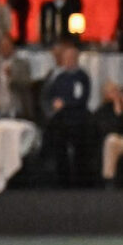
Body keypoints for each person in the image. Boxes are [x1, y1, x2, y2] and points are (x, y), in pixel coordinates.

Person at [40, 40, 95, 183]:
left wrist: (65, 104)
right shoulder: (58, 77)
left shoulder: (82, 77)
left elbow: (82, 97)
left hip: (78, 116)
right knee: (56, 136)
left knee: (80, 137)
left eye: (71, 58)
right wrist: (54, 104)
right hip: (61, 117)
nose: (69, 61)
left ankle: (80, 178)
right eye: (66, 58)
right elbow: (50, 95)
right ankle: (60, 176)